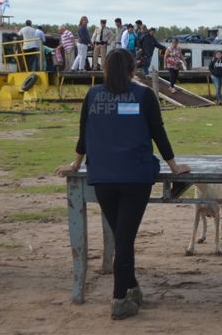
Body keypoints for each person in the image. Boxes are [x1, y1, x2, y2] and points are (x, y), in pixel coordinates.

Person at [55, 48, 190, 320]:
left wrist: (75, 165)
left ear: (105, 70)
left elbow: (84, 135)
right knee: (125, 240)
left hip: (103, 176)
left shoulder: (93, 95)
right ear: (132, 70)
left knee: (122, 237)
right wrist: (174, 166)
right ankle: (119, 300)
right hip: (135, 176)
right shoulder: (144, 95)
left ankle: (132, 288)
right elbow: (158, 133)